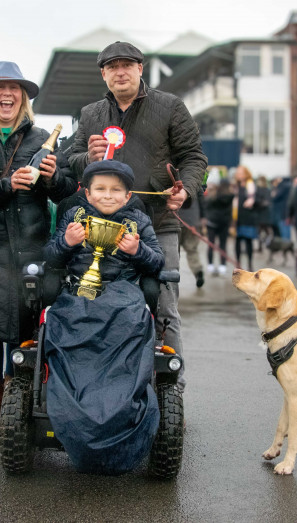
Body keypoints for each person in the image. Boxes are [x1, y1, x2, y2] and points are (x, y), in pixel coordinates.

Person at [68, 41, 208, 385]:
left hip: (158, 225)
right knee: (98, 302)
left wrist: (186, 188)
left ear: (140, 69)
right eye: (112, 66)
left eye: (127, 65)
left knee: (164, 306)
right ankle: (109, 382)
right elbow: (69, 163)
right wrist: (87, 157)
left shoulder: (170, 106)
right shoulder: (90, 115)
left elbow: (195, 158)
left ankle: (169, 388)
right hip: (101, 227)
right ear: (103, 74)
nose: (120, 71)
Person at [0, 61, 77, 438]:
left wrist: (54, 176)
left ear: (22, 97)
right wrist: (8, 184)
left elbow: (65, 193)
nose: (6, 94)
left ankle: (16, 398)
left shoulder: (41, 136)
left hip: (31, 249)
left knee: (24, 329)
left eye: (14, 88)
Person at [43, 160, 164, 474]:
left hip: (122, 291)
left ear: (126, 196)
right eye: (101, 189)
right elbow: (51, 256)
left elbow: (157, 263)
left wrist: (139, 251)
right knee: (60, 319)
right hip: (78, 292)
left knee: (132, 317)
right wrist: (67, 243)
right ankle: (77, 401)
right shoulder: (74, 216)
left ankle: (121, 401)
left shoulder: (138, 221)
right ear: (87, 192)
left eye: (115, 190)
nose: (108, 196)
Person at [205, 177, 233, 276]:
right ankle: (223, 266)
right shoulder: (231, 196)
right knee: (223, 245)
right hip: (224, 224)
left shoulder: (214, 195)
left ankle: (210, 265)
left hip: (212, 223)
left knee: (211, 244)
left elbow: (207, 205)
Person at [178, 189, 206, 287]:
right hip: (193, 220)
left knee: (173, 251)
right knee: (192, 250)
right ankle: (198, 271)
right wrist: (202, 218)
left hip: (176, 219)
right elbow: (202, 199)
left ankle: (171, 276)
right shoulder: (195, 178)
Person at [233, 165, 258, 271]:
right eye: (238, 173)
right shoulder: (235, 186)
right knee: (237, 241)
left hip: (248, 217)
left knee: (248, 241)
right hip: (237, 217)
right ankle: (238, 263)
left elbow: (256, 200)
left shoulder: (251, 185)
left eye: (241, 172)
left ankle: (250, 264)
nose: (239, 174)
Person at [255, 175, 274, 252]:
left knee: (261, 230)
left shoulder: (259, 190)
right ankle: (266, 244)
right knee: (264, 230)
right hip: (265, 213)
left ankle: (264, 244)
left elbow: (258, 201)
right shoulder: (267, 190)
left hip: (261, 213)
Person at [271, 176, 293, 240]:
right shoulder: (289, 185)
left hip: (281, 210)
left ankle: (286, 243)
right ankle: (288, 243)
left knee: (283, 227)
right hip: (287, 209)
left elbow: (275, 196)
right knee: (286, 227)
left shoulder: (282, 186)